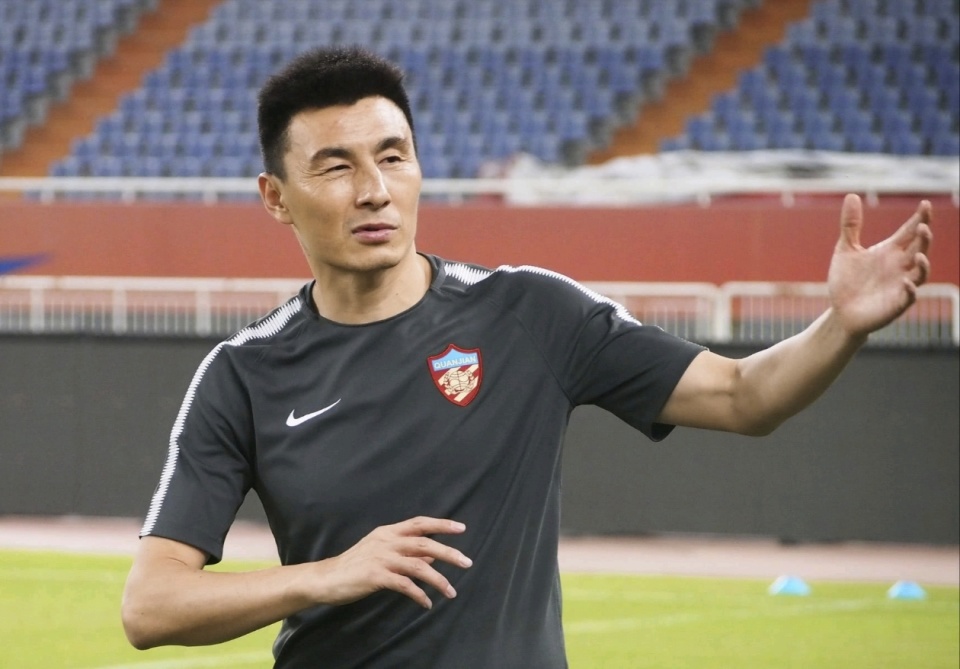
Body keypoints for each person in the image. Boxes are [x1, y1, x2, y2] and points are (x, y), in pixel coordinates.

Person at [121, 46, 933, 668]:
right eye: (337, 166)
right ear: (275, 197)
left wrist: (842, 325)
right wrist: (325, 575)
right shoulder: (242, 375)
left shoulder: (529, 313)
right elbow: (151, 606)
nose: (374, 189)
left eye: (393, 156)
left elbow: (743, 396)